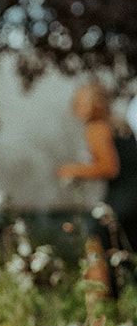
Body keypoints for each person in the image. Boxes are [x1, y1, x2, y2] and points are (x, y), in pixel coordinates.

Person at [57, 83, 137, 301]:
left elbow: (110, 167)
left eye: (81, 103)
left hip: (121, 200)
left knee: (97, 245)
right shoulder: (120, 125)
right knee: (127, 252)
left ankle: (103, 306)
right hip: (133, 199)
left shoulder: (97, 128)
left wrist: (74, 170)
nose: (77, 109)